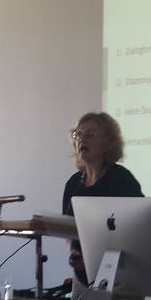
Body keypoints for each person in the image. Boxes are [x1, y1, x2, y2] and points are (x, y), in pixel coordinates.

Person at [63, 111, 143, 281]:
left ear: (107, 142)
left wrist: (94, 257)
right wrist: (73, 252)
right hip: (82, 278)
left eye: (90, 134)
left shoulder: (121, 179)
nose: (82, 139)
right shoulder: (73, 183)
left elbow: (135, 231)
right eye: (78, 134)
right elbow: (67, 229)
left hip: (119, 278)